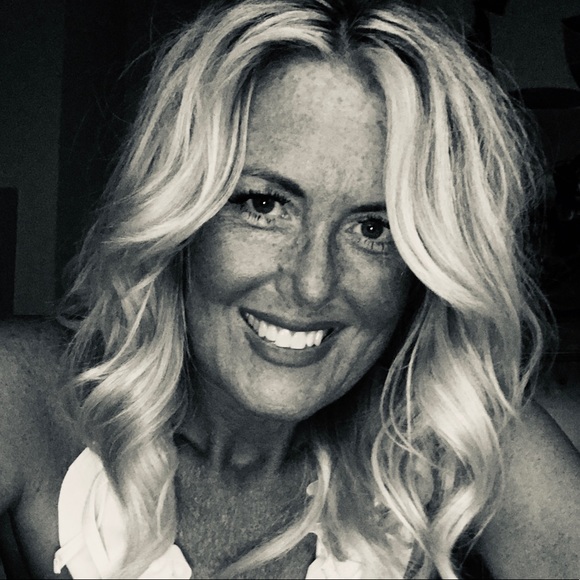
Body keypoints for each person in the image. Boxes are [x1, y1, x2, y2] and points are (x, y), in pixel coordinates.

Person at [0, 0, 579, 578]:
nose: (312, 284)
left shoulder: (466, 438)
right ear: (181, 218)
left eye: (372, 229)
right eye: (264, 204)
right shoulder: (22, 399)